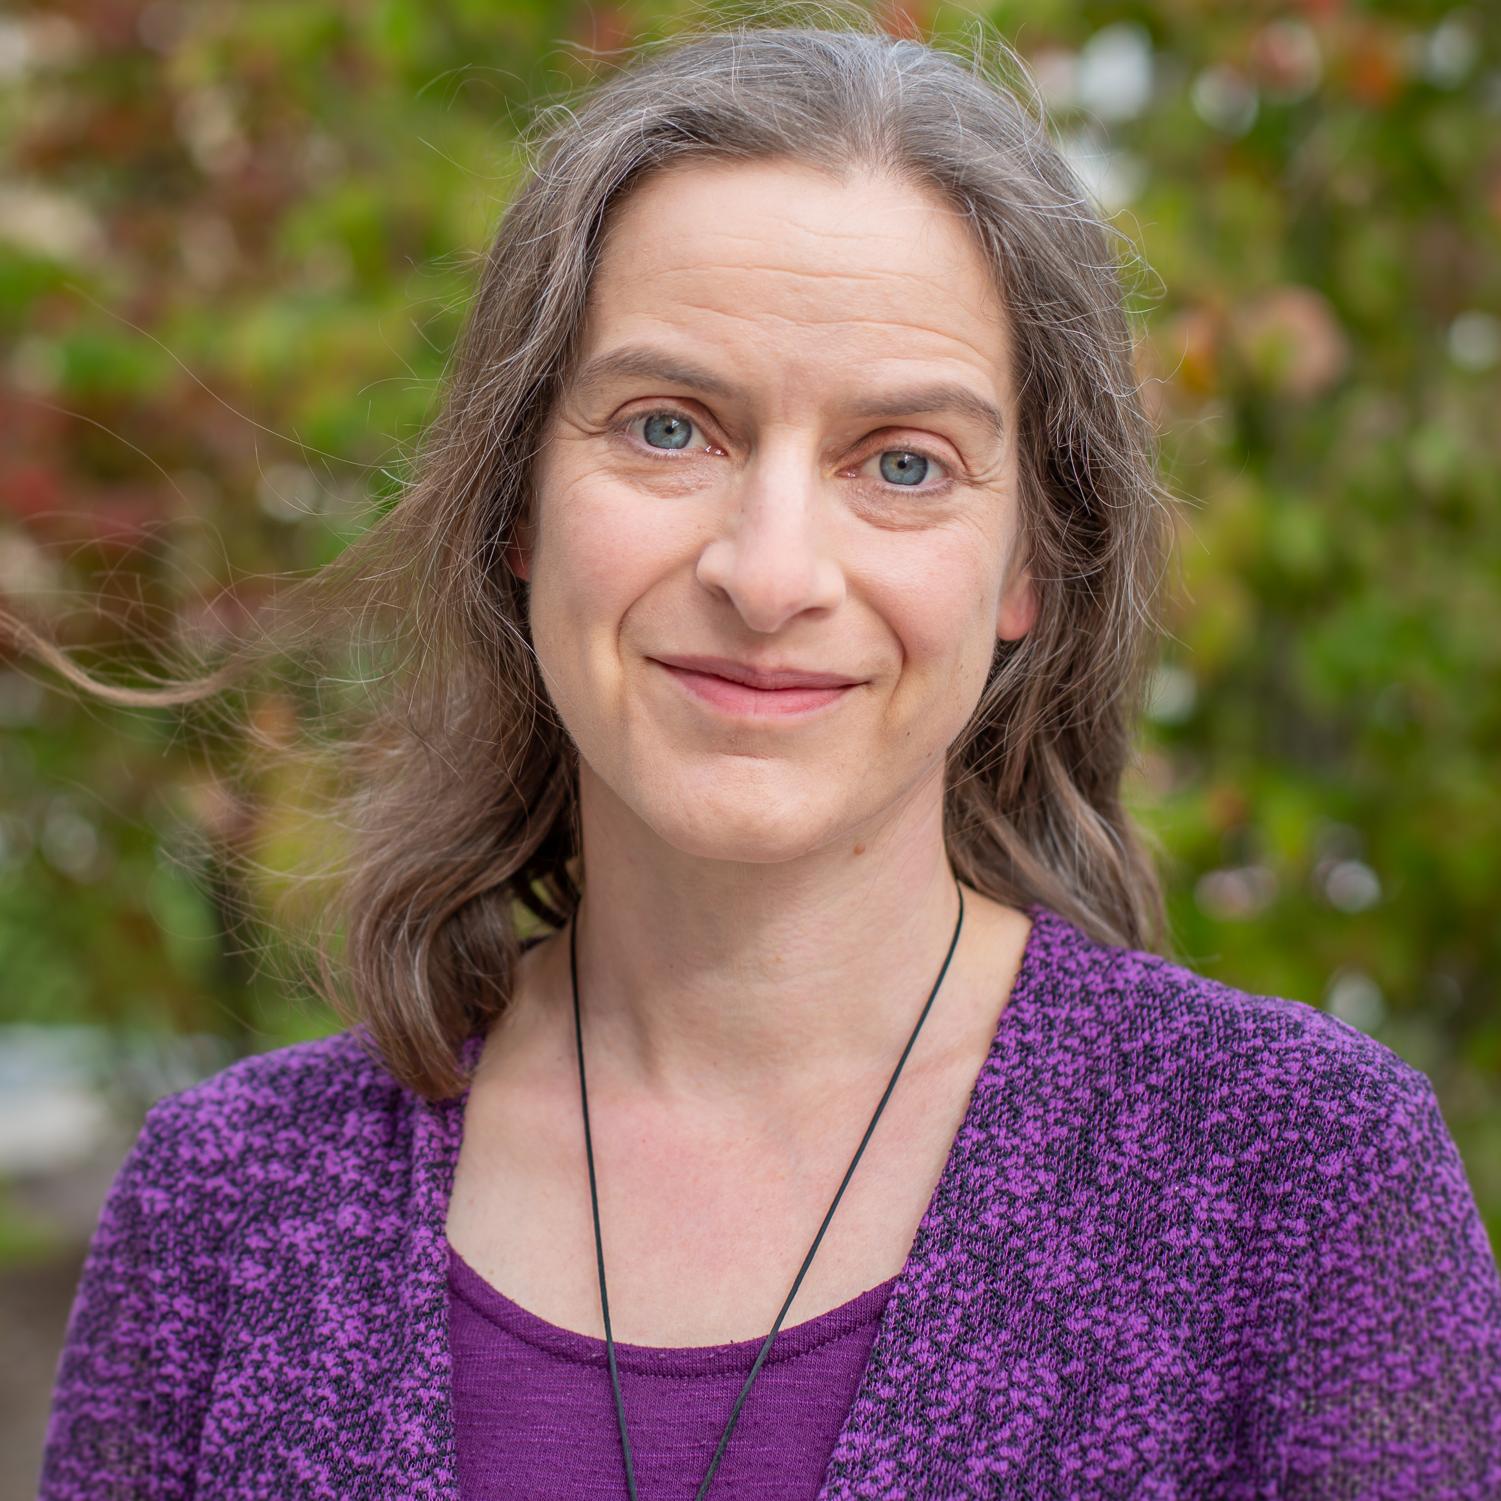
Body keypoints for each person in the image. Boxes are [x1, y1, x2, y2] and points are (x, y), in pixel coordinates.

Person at [32, 15, 1501, 1501]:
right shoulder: (229, 1205)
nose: (770, 569)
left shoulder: (1297, 1183)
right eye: (670, 427)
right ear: (518, 505)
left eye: (904, 461)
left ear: (1028, 567)